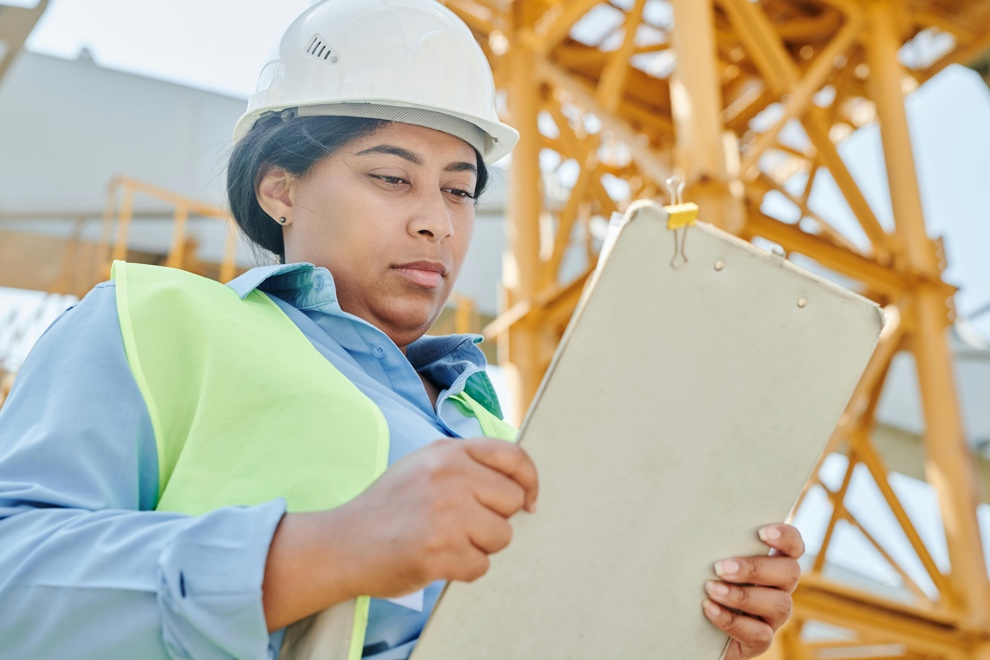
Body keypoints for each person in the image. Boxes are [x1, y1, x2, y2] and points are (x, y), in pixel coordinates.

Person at [0, 0, 804, 658]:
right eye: (392, 178)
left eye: (458, 192)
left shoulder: (494, 427)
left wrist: (683, 636)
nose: (437, 225)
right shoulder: (158, 324)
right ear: (280, 188)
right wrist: (320, 552)